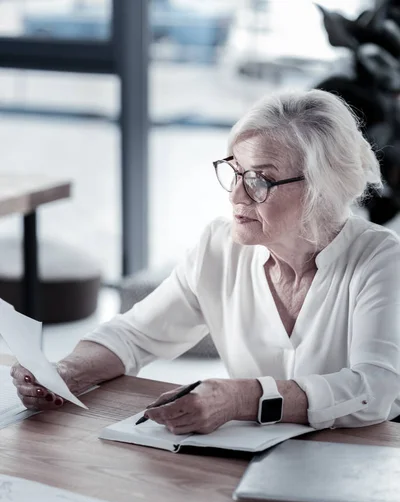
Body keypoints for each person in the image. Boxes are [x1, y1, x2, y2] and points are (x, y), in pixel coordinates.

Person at [11, 89, 400, 433]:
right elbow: (135, 334)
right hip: (251, 462)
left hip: (366, 462)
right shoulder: (219, 246)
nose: (236, 196)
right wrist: (64, 373)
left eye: (260, 179)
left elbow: (375, 390)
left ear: (321, 187)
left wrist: (241, 399)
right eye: (235, 171)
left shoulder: (380, 258)